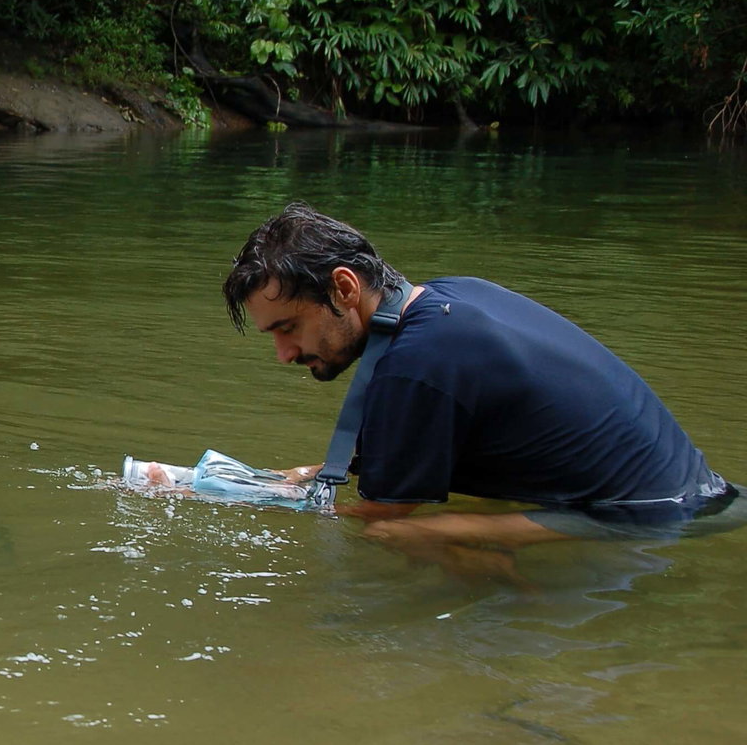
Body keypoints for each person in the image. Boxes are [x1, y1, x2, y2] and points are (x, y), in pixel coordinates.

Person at [223, 203, 737, 578]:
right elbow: (388, 454)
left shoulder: (418, 364)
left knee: (389, 533)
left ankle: (505, 583)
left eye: (287, 328)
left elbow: (378, 512)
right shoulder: (448, 301)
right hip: (704, 492)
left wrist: (230, 500)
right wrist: (298, 474)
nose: (284, 355)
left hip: (649, 517)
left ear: (344, 288)